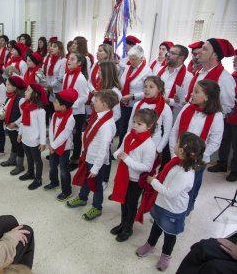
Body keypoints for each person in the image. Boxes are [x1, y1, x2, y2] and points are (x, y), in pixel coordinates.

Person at [136, 132, 205, 271]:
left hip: (173, 209)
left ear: (182, 150)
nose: (175, 143)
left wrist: (153, 181)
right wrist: (159, 177)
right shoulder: (176, 162)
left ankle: (166, 255)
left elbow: (170, 193)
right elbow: (167, 178)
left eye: (178, 142)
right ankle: (150, 244)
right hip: (161, 203)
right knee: (156, 225)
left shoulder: (185, 174)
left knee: (169, 234)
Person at [169, 80, 224, 215]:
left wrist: (195, 156)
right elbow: (175, 132)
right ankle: (169, 208)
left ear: (207, 97)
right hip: (178, 154)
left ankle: (184, 210)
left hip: (197, 161)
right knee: (173, 183)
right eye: (193, 90)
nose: (191, 94)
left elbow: (214, 142)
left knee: (190, 187)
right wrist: (174, 153)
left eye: (196, 92)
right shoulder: (187, 108)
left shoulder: (216, 116)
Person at [68, 89, 119, 220]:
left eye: (96, 101)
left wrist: (96, 168)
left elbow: (103, 149)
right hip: (89, 156)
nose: (92, 103)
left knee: (96, 186)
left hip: (97, 160)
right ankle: (83, 197)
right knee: (86, 179)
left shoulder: (106, 125)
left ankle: (97, 207)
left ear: (105, 105)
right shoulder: (99, 116)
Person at [111, 108, 157, 242]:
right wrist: (116, 154)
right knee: (123, 201)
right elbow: (121, 149)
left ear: (149, 126)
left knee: (131, 204)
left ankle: (128, 228)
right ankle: (122, 223)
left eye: (139, 124)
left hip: (136, 180)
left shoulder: (149, 145)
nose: (135, 126)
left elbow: (146, 167)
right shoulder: (128, 135)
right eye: (134, 122)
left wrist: (127, 159)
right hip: (123, 176)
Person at [127, 76, 173, 162]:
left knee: (145, 171)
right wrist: (128, 140)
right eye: (145, 86)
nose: (147, 89)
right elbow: (130, 124)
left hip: (153, 144)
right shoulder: (137, 104)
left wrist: (158, 150)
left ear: (159, 89)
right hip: (135, 142)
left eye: (151, 87)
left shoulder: (165, 108)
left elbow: (167, 132)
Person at [45, 89, 78, 200]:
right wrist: (51, 143)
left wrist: (53, 145)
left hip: (64, 148)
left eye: (56, 102)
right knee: (52, 166)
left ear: (63, 106)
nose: (53, 103)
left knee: (64, 170)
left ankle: (66, 190)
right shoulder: (55, 114)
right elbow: (51, 129)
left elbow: (65, 134)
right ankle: (54, 181)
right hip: (53, 146)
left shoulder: (70, 119)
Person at [119, 45, 153, 148]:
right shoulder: (128, 67)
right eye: (130, 59)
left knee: (133, 128)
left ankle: (129, 148)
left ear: (141, 58)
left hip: (136, 105)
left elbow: (148, 91)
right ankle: (121, 146)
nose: (131, 62)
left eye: (134, 59)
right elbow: (122, 82)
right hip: (124, 103)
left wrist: (133, 96)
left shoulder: (147, 71)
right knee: (122, 128)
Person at [17, 83, 48, 190]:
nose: (25, 92)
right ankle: (30, 173)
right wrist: (20, 133)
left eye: (28, 90)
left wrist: (43, 142)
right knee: (28, 157)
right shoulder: (26, 106)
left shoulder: (40, 111)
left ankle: (38, 179)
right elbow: (22, 121)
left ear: (35, 94)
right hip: (25, 138)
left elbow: (43, 128)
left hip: (34, 140)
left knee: (37, 160)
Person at [213, 52, 237, 182]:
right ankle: (222, 163)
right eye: (234, 60)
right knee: (224, 141)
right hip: (226, 116)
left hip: (236, 118)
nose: (234, 62)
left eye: (236, 60)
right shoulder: (231, 76)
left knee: (236, 145)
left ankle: (234, 170)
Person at [63, 52, 89, 171]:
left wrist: (70, 105)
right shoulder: (66, 75)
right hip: (66, 110)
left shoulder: (81, 78)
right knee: (66, 133)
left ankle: (75, 159)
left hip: (77, 112)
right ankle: (63, 154)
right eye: (69, 58)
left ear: (79, 63)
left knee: (76, 135)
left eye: (72, 59)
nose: (69, 61)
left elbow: (84, 97)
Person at [0, 76, 27, 175]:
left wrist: (15, 123)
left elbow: (24, 115)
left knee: (19, 146)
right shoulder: (9, 97)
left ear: (15, 87)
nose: (6, 87)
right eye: (6, 84)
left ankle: (20, 165)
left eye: (9, 85)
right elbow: (4, 108)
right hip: (9, 125)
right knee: (13, 143)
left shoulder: (21, 99)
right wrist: (2, 115)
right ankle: (12, 160)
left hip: (17, 128)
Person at [157, 44, 193, 120]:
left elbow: (183, 102)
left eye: (172, 53)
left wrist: (168, 101)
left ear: (181, 58)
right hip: (153, 113)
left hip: (171, 117)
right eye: (169, 52)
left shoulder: (188, 77)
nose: (168, 55)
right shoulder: (159, 70)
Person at [44, 39, 66, 120]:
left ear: (60, 49)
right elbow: (47, 74)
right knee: (49, 110)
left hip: (57, 90)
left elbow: (61, 77)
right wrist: (47, 86)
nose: (51, 48)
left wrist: (51, 86)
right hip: (49, 89)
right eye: (51, 46)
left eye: (55, 47)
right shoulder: (50, 59)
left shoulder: (63, 60)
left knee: (56, 111)